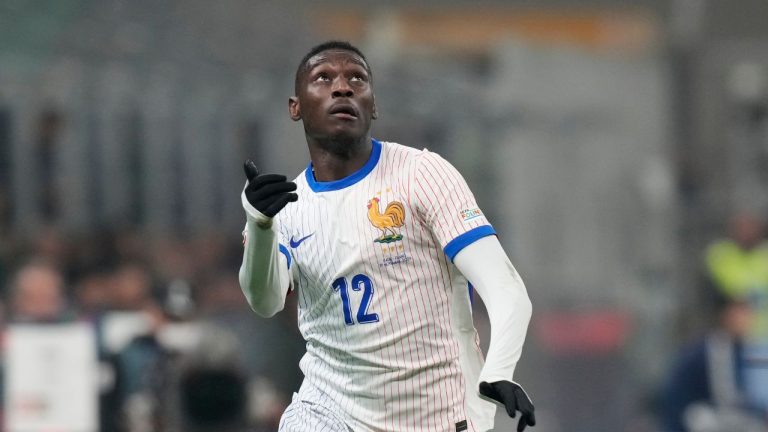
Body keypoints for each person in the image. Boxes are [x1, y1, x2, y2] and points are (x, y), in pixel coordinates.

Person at [238, 40, 535, 432]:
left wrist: (498, 370)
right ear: (296, 107)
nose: (342, 87)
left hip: (436, 414)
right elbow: (265, 301)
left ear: (373, 105)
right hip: (328, 410)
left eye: (356, 79)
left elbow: (506, 288)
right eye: (323, 78)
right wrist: (259, 225)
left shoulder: (423, 174)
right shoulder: (284, 208)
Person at [659, 295, 767, 431]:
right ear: (726, 314)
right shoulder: (717, 349)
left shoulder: (737, 348)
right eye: (741, 312)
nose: (747, 319)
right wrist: (759, 417)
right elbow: (726, 402)